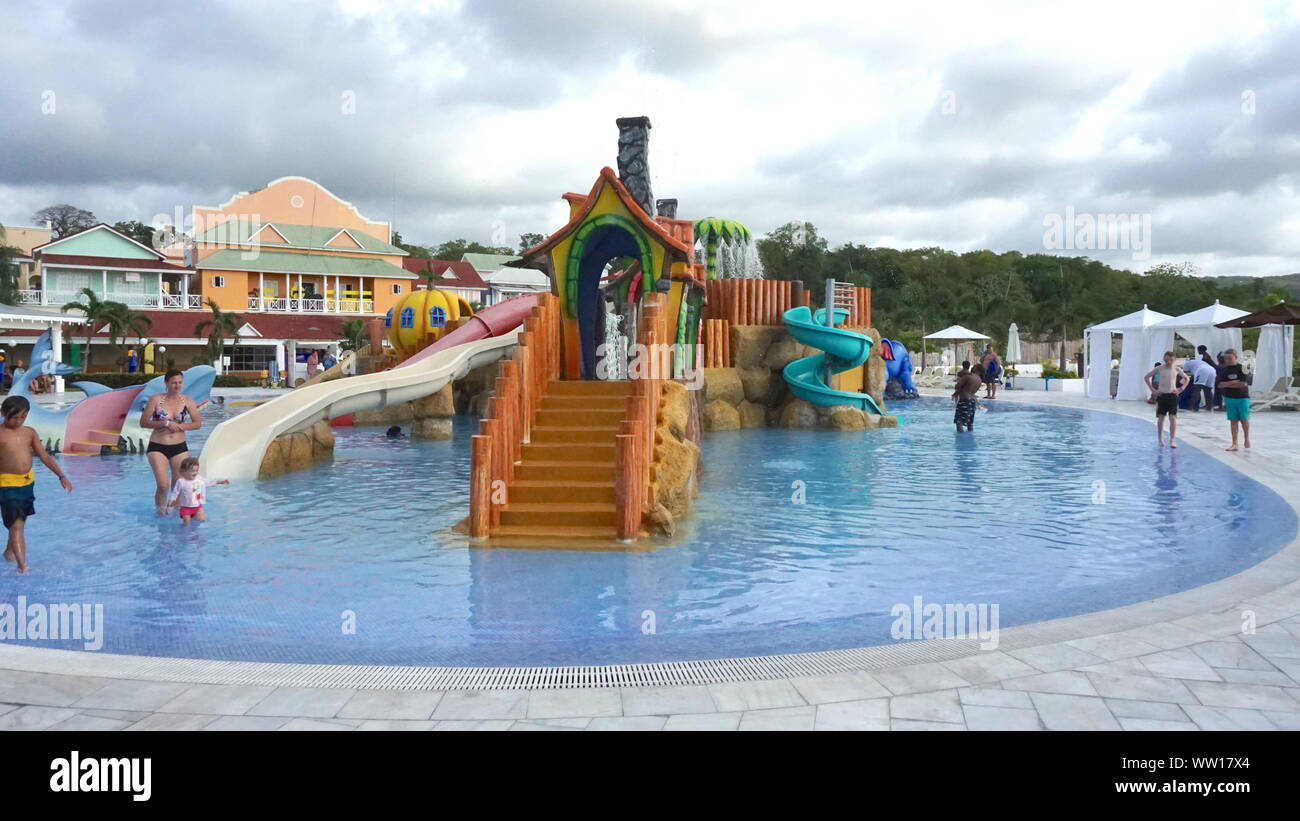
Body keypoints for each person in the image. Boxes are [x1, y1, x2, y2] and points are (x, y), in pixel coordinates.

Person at [0, 396, 72, 573]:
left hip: (26, 483)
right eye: (14, 417)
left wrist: (61, 475)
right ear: (2, 414)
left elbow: (45, 456)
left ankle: (9, 553)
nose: (18, 421)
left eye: (22, 417)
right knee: (17, 524)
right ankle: (22, 567)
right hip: (6, 485)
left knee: (20, 521)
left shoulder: (29, 432)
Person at [141, 369, 202, 515]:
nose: (177, 386)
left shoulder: (187, 400)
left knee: (178, 485)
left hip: (179, 447)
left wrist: (179, 426)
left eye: (180, 382)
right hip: (158, 446)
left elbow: (197, 423)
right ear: (166, 383)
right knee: (163, 485)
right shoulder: (156, 400)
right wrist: (165, 424)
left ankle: (176, 514)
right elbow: (143, 422)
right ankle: (160, 513)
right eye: (174, 382)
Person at [1143, 352, 1189, 448]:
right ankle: (1160, 439)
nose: (1168, 362)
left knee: (1172, 418)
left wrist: (1181, 388)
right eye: (1166, 359)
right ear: (1164, 359)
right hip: (1162, 396)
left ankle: (1172, 440)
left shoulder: (1176, 369)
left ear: (1174, 360)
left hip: (1172, 395)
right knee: (1161, 419)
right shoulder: (1159, 368)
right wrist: (1153, 390)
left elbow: (1186, 378)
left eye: (1171, 360)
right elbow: (1146, 377)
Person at [164, 456, 228, 525]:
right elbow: (174, 494)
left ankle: (196, 519)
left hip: (197, 507)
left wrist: (219, 482)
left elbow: (208, 482)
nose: (195, 473)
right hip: (186, 508)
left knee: (203, 519)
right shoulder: (181, 482)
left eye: (196, 470)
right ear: (184, 471)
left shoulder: (198, 480)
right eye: (192, 471)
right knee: (187, 524)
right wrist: (169, 506)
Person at [1217, 348, 1251, 451]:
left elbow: (1243, 384)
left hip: (1242, 398)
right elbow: (1219, 385)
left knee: (1244, 420)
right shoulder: (1223, 370)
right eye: (1226, 358)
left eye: (1230, 358)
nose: (1227, 360)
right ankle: (1234, 443)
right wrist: (1232, 383)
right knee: (1233, 421)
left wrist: (1227, 384)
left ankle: (1246, 438)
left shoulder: (1242, 368)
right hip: (1229, 398)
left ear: (1236, 358)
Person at [952, 361, 982, 433]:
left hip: (964, 400)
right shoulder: (979, 380)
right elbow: (970, 390)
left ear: (977, 370)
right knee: (970, 423)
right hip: (972, 401)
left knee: (959, 421)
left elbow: (958, 386)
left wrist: (959, 382)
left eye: (974, 367)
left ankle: (960, 440)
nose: (972, 367)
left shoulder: (968, 377)